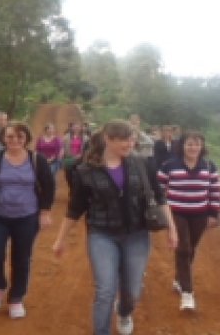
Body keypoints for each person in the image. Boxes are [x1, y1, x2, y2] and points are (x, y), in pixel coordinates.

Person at [52, 120, 178, 335]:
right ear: (107, 140)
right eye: (122, 140)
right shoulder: (85, 171)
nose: (129, 144)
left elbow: (159, 196)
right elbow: (75, 209)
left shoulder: (142, 164)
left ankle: (124, 311)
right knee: (105, 291)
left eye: (131, 139)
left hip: (137, 234)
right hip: (102, 236)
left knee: (132, 291)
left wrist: (172, 228)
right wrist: (60, 239)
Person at [0, 121, 55, 319]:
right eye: (10, 136)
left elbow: (48, 186)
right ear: (3, 138)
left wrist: (45, 212)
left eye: (19, 136)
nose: (14, 140)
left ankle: (16, 298)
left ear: (26, 138)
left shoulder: (37, 160)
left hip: (27, 217)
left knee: (21, 258)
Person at [157, 131, 220, 311]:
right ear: (182, 146)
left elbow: (214, 191)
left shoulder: (209, 166)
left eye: (197, 144)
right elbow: (159, 189)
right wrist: (162, 212)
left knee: (191, 248)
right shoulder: (169, 165)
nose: (193, 147)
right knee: (183, 249)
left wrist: (213, 214)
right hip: (176, 213)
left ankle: (179, 278)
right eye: (189, 144)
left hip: (200, 214)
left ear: (202, 146)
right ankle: (187, 293)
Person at [62, 122, 89, 187]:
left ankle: (76, 189)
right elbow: (62, 147)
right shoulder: (66, 137)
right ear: (72, 128)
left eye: (78, 127)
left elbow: (87, 149)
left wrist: (81, 155)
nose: (76, 128)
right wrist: (62, 154)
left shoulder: (86, 138)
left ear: (81, 128)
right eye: (75, 127)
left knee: (78, 176)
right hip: (69, 159)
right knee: (68, 176)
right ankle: (71, 188)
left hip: (80, 160)